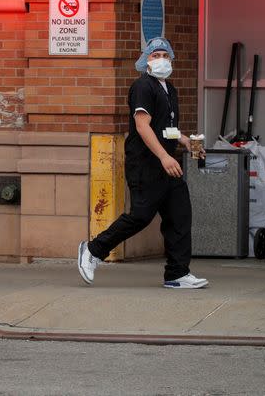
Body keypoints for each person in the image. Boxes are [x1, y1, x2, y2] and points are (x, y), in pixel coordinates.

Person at [77, 37, 209, 289]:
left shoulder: (169, 90)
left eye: (164, 55)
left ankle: (177, 273)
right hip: (147, 165)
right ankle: (93, 250)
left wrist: (185, 141)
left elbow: (166, 128)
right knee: (141, 216)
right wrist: (163, 156)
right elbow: (142, 126)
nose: (161, 59)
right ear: (145, 60)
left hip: (168, 165)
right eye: (155, 55)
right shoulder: (142, 87)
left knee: (180, 215)